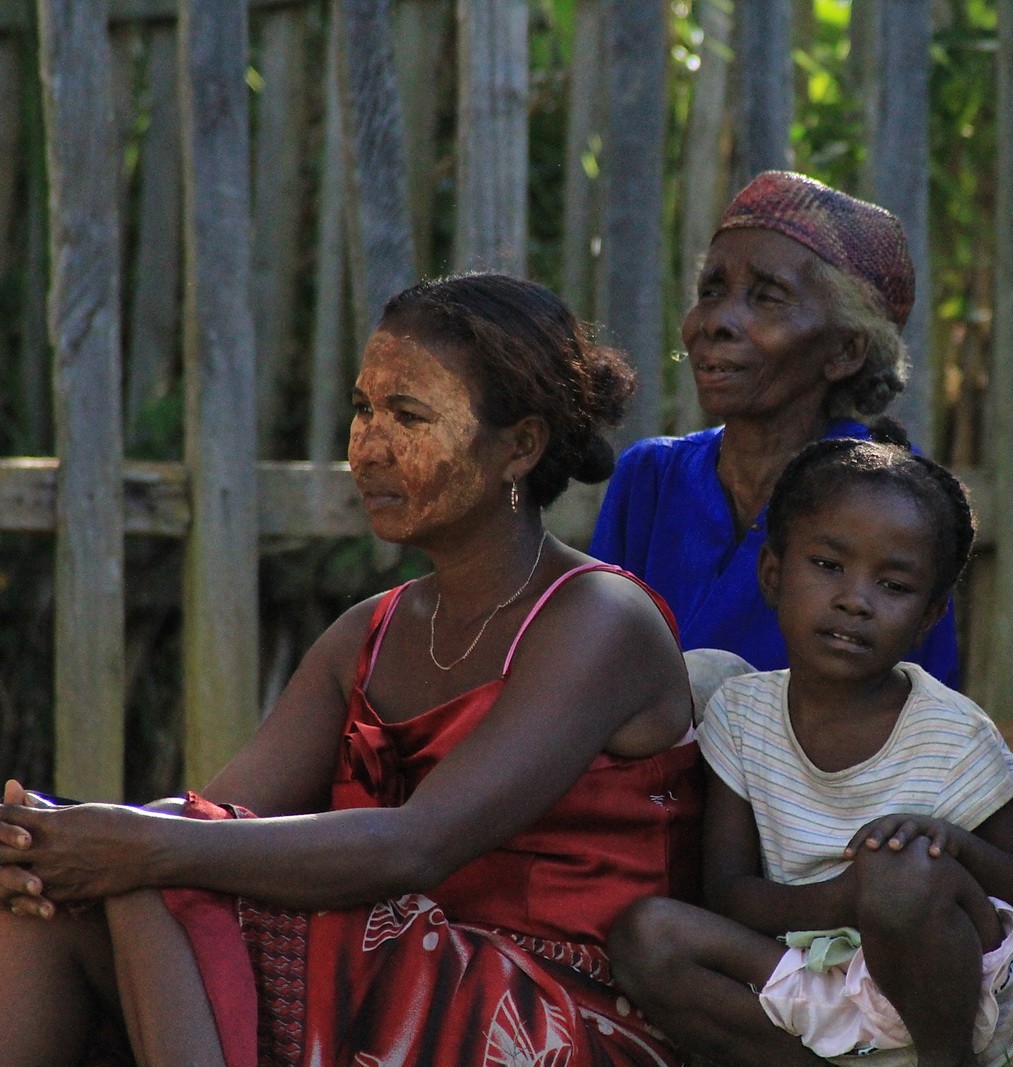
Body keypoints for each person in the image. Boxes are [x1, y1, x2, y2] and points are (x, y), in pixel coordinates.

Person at [0, 274, 702, 1066]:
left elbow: (417, 846)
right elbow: (223, 813)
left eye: (408, 415)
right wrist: (47, 847)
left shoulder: (598, 620)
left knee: (153, 865)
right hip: (396, 970)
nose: (368, 445)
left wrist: (139, 841)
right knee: (47, 906)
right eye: (364, 409)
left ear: (521, 445)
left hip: (560, 1012)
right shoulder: (364, 635)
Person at [606, 422, 1013, 1067]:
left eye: (895, 586)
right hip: (812, 980)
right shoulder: (742, 715)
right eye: (827, 566)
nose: (855, 601)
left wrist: (951, 846)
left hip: (959, 1006)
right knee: (645, 934)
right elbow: (729, 893)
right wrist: (843, 900)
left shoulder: (947, 732)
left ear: (929, 618)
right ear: (772, 574)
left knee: (902, 874)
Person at [590, 171, 960, 686]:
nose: (715, 320)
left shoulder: (897, 500)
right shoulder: (650, 478)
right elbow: (589, 671)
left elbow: (917, 719)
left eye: (767, 297)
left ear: (845, 350)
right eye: (711, 290)